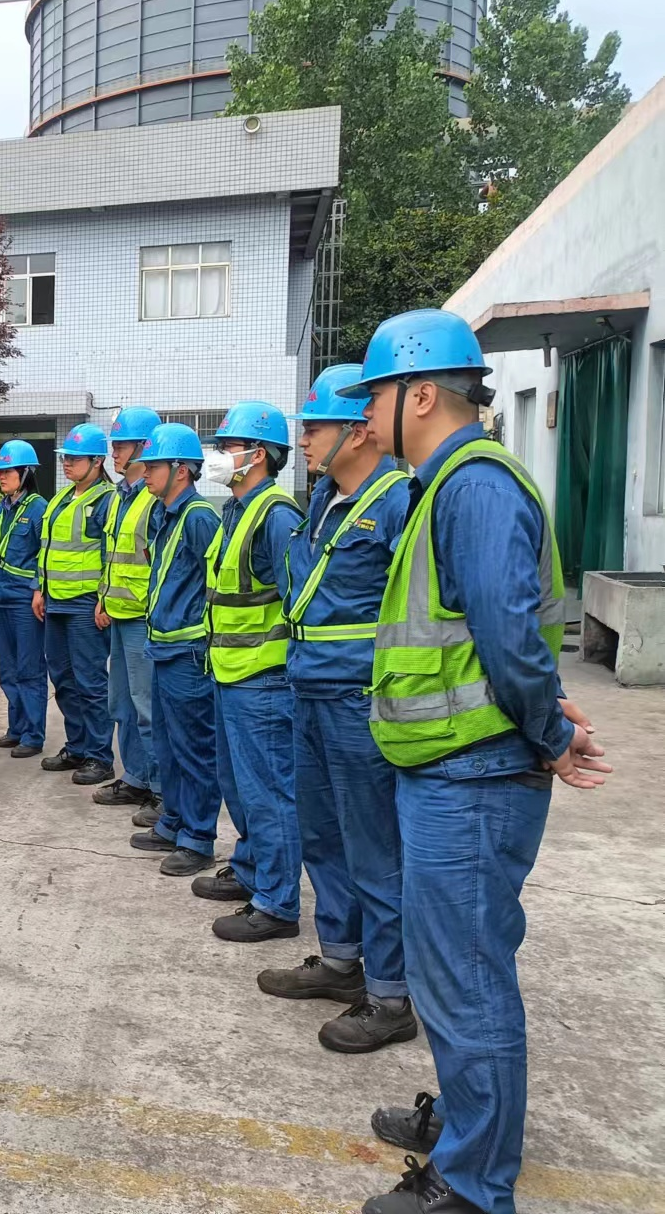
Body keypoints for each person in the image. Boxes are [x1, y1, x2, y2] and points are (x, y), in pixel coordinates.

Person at [344, 310, 609, 1214]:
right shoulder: (443, 485)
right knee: (450, 969)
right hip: (451, 770)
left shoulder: (475, 488)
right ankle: (467, 1122)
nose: (364, 415)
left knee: (468, 978)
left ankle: (472, 1183)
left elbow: (508, 637)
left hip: (478, 776)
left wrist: (550, 736)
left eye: (374, 395)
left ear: (421, 393)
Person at [258, 365, 417, 1055]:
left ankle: (390, 995)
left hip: (362, 702)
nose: (307, 439)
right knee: (322, 837)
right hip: (309, 691)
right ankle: (342, 960)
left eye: (316, 427)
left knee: (375, 849)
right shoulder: (322, 501)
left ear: (360, 429)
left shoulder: (398, 503)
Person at [201, 402, 305, 943]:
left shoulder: (276, 515)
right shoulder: (236, 510)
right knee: (239, 788)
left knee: (268, 793)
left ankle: (278, 903)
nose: (218, 457)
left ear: (256, 454)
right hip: (231, 671)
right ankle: (250, 870)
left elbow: (299, 600)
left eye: (226, 448)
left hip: (263, 678)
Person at [128, 423, 221, 877]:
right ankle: (174, 821)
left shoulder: (199, 517)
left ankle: (198, 837)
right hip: (163, 647)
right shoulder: (165, 514)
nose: (145, 474)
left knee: (193, 748)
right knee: (168, 745)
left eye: (153, 466)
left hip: (188, 652)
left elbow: (215, 584)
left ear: (181, 471)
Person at [32, 423, 118, 788]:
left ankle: (100, 756)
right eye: (64, 458)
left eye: (74, 458)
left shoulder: (106, 501)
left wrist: (104, 598)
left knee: (91, 681)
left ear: (97, 462)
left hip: (86, 605)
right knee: (63, 679)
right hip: (55, 604)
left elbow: (111, 554)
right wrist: (40, 588)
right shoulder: (61, 499)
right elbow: (48, 549)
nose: (67, 463)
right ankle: (78, 745)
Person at [95, 405, 162, 816]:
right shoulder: (121, 498)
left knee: (147, 706)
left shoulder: (154, 501)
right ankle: (135, 777)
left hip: (142, 619)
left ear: (144, 448)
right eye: (114, 445)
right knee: (121, 702)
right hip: (117, 615)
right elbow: (112, 556)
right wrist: (103, 596)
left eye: (121, 446)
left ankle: (158, 788)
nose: (114, 453)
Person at [0, 440, 50, 757]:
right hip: (0, 598)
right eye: (0, 471)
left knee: (29, 669)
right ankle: (17, 728)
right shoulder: (2, 509)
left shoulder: (38, 509)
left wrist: (38, 589)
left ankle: (34, 735)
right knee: (7, 669)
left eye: (8, 471)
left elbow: (46, 555)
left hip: (25, 601)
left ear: (25, 473)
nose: (1, 476)